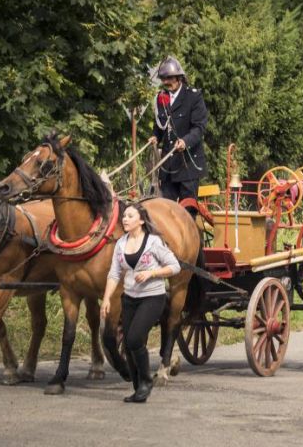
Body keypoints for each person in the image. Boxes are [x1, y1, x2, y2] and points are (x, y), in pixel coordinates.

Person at [100, 203, 181, 403]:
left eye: (130, 216)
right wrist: (107, 298)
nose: (124, 219)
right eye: (124, 216)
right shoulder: (121, 244)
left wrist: (152, 272)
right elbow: (114, 273)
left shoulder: (153, 242)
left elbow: (175, 266)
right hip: (129, 298)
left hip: (153, 297)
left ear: (141, 221)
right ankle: (138, 389)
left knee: (135, 339)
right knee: (128, 344)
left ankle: (145, 382)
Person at [148, 57, 208, 214]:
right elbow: (159, 125)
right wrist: (155, 136)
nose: (166, 82)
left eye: (170, 78)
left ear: (179, 77)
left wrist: (185, 141)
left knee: (187, 212)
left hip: (188, 164)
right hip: (168, 167)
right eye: (164, 79)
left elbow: (199, 127)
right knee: (165, 213)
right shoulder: (161, 98)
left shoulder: (194, 97)